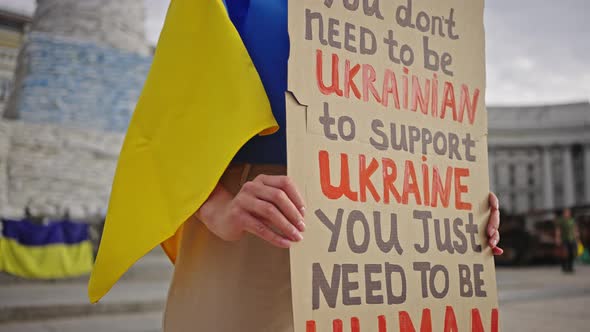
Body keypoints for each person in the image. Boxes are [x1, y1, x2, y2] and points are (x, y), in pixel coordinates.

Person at [88, 1, 503, 331]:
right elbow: (170, 115)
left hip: (388, 249)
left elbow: (421, 125)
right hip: (259, 228)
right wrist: (215, 206)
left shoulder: (417, 13)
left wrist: (457, 197)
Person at [556, 208, 579, 273]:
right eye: (566, 212)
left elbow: (575, 228)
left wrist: (577, 236)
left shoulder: (572, 220)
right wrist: (558, 238)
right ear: (564, 213)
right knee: (565, 254)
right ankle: (564, 267)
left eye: (568, 212)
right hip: (564, 239)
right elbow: (558, 230)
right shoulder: (561, 220)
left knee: (572, 253)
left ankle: (570, 267)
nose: (567, 214)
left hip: (572, 239)